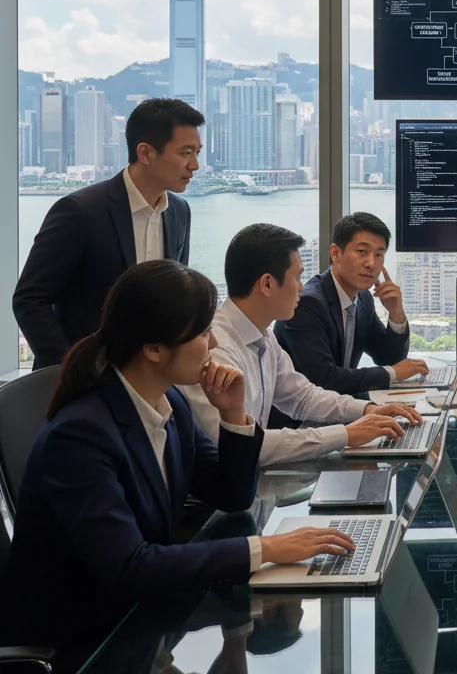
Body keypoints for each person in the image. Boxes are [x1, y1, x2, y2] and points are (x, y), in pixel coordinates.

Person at [0, 260, 360, 647]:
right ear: (153, 348)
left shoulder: (168, 401)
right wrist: (265, 548)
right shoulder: (80, 437)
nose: (215, 344)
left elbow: (232, 495)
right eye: (204, 333)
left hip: (144, 615)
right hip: (81, 640)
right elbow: (131, 567)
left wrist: (233, 414)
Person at [181, 223, 419, 466]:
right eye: (297, 277)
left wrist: (367, 410)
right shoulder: (215, 350)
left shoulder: (262, 335)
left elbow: (302, 397)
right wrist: (346, 434)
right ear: (267, 284)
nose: (302, 287)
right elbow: (245, 447)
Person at [13, 97, 205, 368]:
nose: (195, 165)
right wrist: (73, 367)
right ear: (145, 153)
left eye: (197, 152)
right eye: (186, 153)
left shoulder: (179, 212)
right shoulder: (80, 211)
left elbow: (174, 298)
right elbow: (30, 299)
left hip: (150, 379)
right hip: (85, 386)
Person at [275, 213, 427, 394]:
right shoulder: (308, 304)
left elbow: (388, 358)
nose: (371, 263)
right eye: (362, 251)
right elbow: (324, 379)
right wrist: (392, 373)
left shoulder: (363, 299)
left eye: (379, 254)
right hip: (299, 419)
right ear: (335, 253)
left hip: (339, 409)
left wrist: (396, 313)